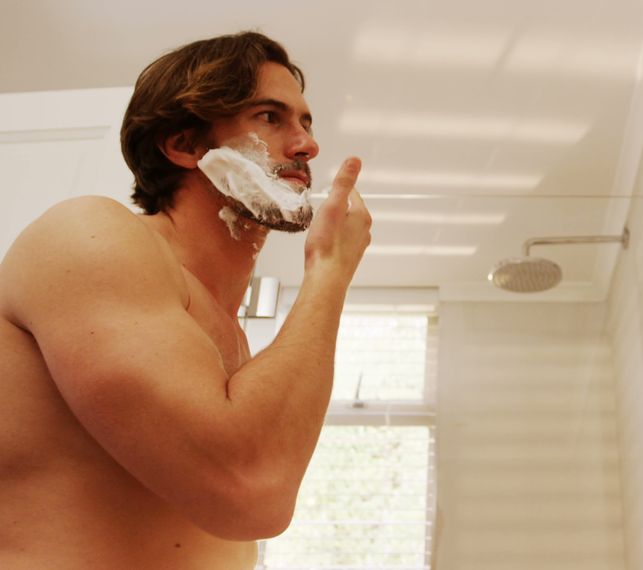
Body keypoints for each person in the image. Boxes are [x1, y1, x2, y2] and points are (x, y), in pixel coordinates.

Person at [0, 32, 371, 569]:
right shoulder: (89, 235)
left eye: (306, 122)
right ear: (186, 146)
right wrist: (329, 271)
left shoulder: (224, 332)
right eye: (270, 117)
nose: (307, 145)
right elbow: (251, 493)